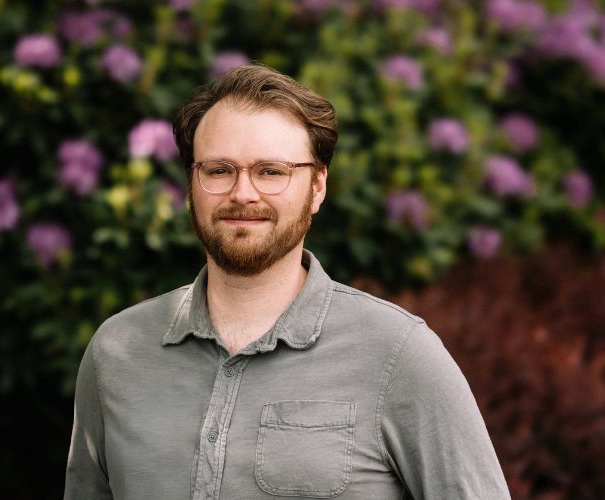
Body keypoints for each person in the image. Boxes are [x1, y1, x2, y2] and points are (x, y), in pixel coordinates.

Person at [64, 64, 510, 499]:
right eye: (218, 170)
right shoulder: (117, 352)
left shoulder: (399, 356)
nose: (243, 193)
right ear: (191, 185)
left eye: (271, 171)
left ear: (317, 187)